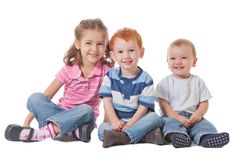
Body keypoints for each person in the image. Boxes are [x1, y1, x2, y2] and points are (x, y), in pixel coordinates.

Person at [5, 18, 114, 142]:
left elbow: (109, 101)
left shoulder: (107, 72)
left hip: (83, 116)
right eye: (88, 43)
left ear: (105, 45)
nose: (94, 49)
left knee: (86, 109)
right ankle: (73, 131)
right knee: (35, 98)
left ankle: (43, 133)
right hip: (59, 113)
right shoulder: (69, 69)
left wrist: (105, 124)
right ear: (78, 44)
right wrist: (26, 123)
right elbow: (47, 95)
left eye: (100, 44)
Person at [155, 38, 230, 148]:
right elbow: (164, 105)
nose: (178, 62)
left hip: (193, 117)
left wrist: (199, 114)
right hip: (172, 116)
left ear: (194, 61)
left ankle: (206, 138)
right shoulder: (165, 82)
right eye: (173, 58)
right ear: (167, 62)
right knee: (170, 125)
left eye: (184, 57)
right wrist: (177, 117)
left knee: (205, 125)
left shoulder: (198, 81)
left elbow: (204, 102)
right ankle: (177, 137)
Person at [98, 28, 163, 148]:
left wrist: (129, 125)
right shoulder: (110, 77)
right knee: (102, 129)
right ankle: (145, 136)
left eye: (131, 50)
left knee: (155, 118)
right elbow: (107, 103)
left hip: (138, 121)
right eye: (120, 52)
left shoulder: (146, 79)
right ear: (113, 55)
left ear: (141, 52)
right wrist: (114, 121)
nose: (126, 56)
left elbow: (143, 108)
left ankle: (123, 137)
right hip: (117, 122)